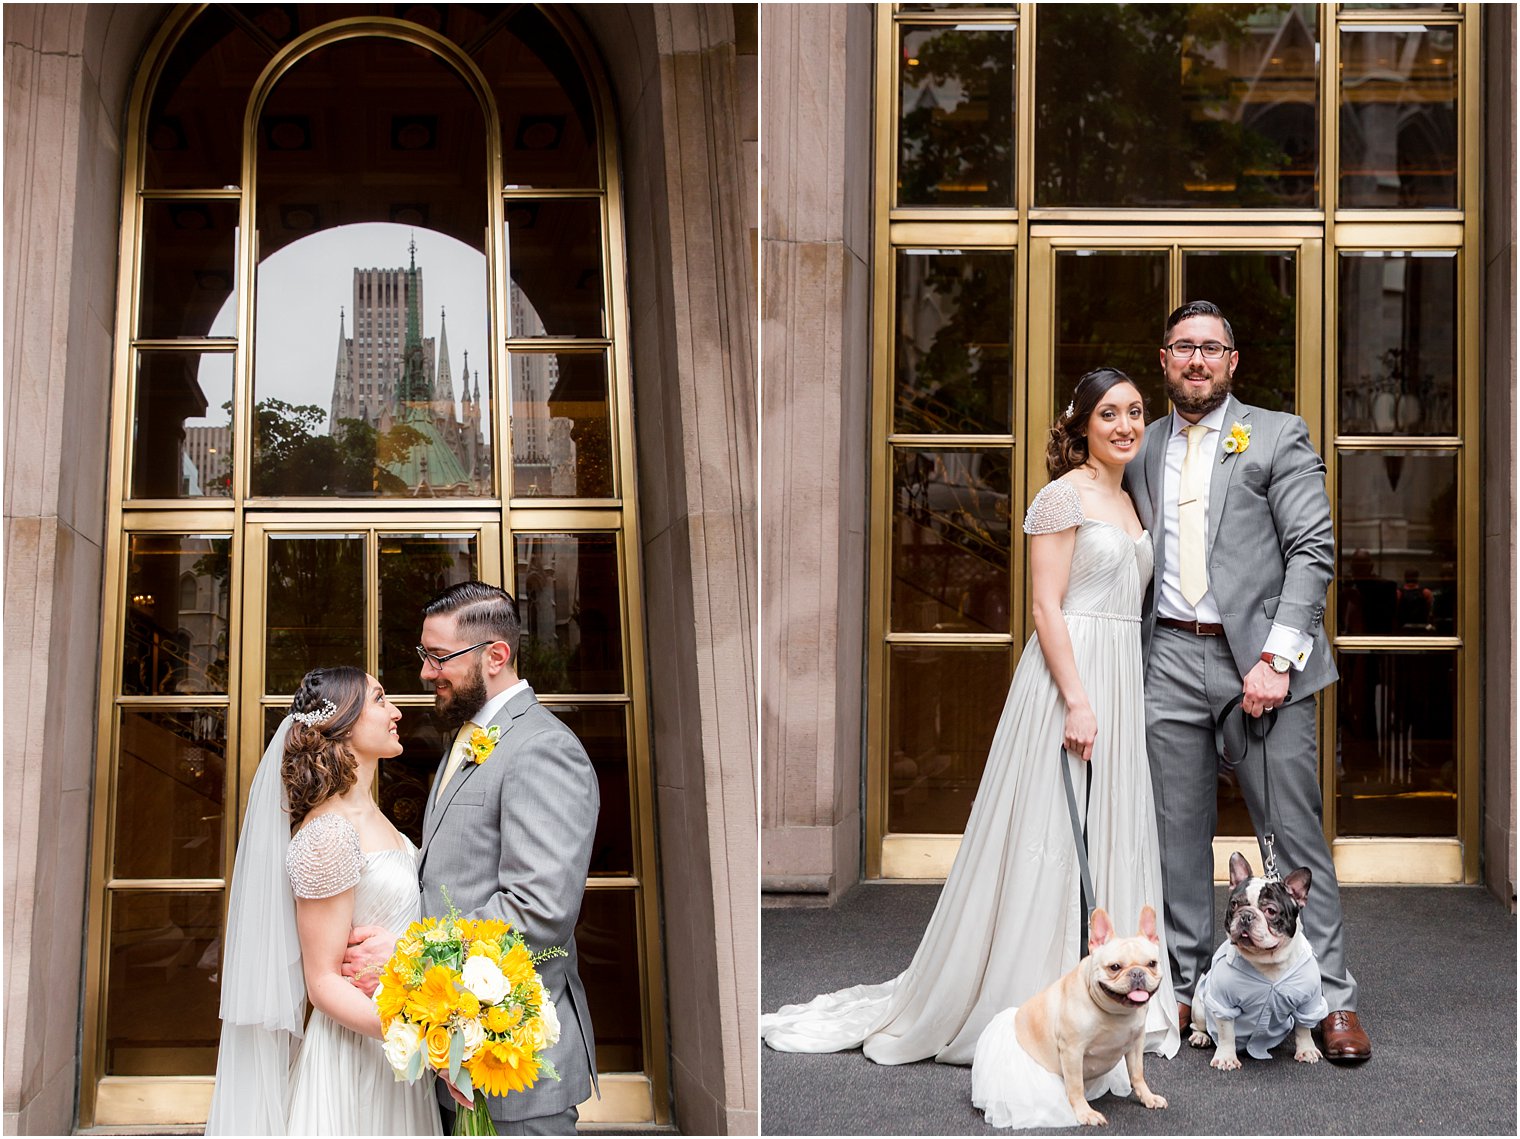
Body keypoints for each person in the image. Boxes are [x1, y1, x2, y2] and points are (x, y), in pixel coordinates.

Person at [761, 367, 1180, 1078]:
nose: (1126, 426)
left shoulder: (1131, 497)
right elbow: (1047, 607)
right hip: (1070, 677)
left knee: (1108, 825)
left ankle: (1110, 992)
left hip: (1120, 672)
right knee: (1050, 831)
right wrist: (1078, 699)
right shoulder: (1061, 496)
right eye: (1109, 413)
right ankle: (1032, 998)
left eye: (1136, 412)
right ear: (1080, 424)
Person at [1124, 299, 1370, 1062]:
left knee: (1291, 838)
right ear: (1164, 361)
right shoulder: (1139, 445)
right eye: (1182, 348)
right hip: (1166, 655)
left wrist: (1276, 658)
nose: (1196, 360)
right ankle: (1197, 990)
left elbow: (1313, 548)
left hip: (1261, 664)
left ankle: (1328, 998)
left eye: (1211, 348)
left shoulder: (1274, 432)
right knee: (1176, 839)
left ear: (1233, 363)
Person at [343, 581, 599, 1135]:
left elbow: (538, 911)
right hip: (450, 1055)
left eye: (438, 658)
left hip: (513, 1067)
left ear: (495, 656)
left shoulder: (543, 749)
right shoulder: (467, 740)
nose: (425, 673)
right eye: (423, 656)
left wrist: (410, 951)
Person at [205, 666, 442, 1135]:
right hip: (359, 1056)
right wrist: (422, 1033)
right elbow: (323, 983)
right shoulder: (329, 834)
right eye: (380, 699)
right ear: (345, 725)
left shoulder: (376, 816)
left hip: (394, 1052)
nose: (396, 712)